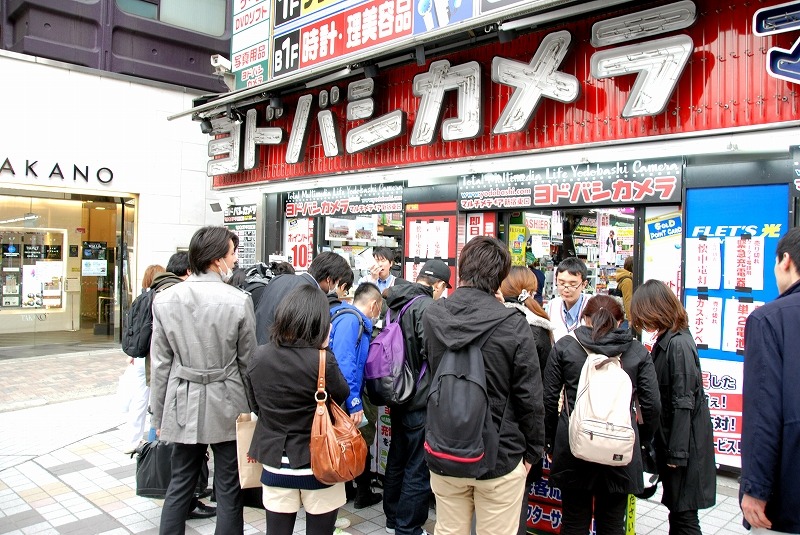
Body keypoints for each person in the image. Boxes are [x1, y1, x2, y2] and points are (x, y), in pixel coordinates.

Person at [422, 236, 545, 535]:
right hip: (500, 454)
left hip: (444, 446)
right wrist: (533, 451)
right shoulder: (513, 323)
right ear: (501, 277)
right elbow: (529, 396)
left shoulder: (433, 315)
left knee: (449, 530)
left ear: (461, 270)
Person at [150, 226, 257, 535]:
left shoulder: (165, 299)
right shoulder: (239, 300)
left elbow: (160, 365)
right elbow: (247, 362)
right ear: (216, 259)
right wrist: (253, 408)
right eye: (232, 253)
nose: (236, 260)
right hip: (229, 398)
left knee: (180, 481)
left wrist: (159, 414)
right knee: (228, 485)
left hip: (183, 397)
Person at [542, 295, 660, 535]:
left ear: (585, 318)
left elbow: (548, 399)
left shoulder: (566, 346)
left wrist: (551, 442)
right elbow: (652, 405)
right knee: (612, 524)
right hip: (620, 449)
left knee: (574, 521)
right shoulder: (636, 352)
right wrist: (642, 439)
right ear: (619, 322)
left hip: (574, 445)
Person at [246, 285, 350, 535]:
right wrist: (324, 348)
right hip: (319, 462)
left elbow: (256, 406)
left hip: (275, 462)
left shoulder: (259, 357)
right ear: (318, 323)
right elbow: (342, 394)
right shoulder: (322, 360)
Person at [629, 280, 716, 535]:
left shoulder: (678, 344)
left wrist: (676, 455)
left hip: (685, 447)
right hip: (678, 443)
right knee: (679, 514)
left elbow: (683, 401)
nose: (642, 323)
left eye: (643, 315)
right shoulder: (670, 339)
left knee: (685, 516)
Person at [382, 259, 452, 535]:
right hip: (420, 398)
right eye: (443, 288)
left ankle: (392, 518)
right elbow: (433, 353)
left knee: (397, 458)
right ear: (437, 284)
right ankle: (408, 527)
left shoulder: (395, 302)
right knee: (417, 466)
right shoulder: (427, 308)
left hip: (397, 393)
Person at [740, 227, 800, 534]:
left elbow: (763, 410)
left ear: (786, 261)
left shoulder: (770, 319)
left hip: (787, 496)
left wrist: (755, 488)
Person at [498, 266, 554, 535]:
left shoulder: (500, 323)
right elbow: (539, 394)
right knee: (515, 505)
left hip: (499, 431)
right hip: (523, 431)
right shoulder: (540, 328)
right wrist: (537, 444)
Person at [329, 282, 384, 509]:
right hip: (346, 395)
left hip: (338, 393)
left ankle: (352, 489)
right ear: (373, 305)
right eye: (379, 308)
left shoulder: (339, 314)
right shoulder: (353, 321)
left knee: (349, 439)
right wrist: (354, 400)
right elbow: (345, 363)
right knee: (358, 440)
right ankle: (361, 492)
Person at [254, 251, 353, 344]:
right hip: (282, 355)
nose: (335, 287)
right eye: (336, 282)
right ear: (328, 279)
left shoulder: (278, 279)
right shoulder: (312, 296)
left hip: (259, 349)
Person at [122, 263, 164, 454]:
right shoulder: (158, 299)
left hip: (138, 356)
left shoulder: (139, 298)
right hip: (151, 357)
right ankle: (155, 439)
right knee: (156, 398)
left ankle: (132, 440)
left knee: (139, 400)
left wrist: (133, 353)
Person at [547, 257, 590, 341]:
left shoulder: (593, 306)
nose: (566, 289)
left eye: (573, 284)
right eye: (561, 283)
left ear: (584, 284)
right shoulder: (552, 305)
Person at [615, 256, 634, 328]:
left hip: (622, 318)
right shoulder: (627, 281)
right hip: (625, 319)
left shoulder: (625, 278)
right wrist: (630, 319)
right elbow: (628, 300)